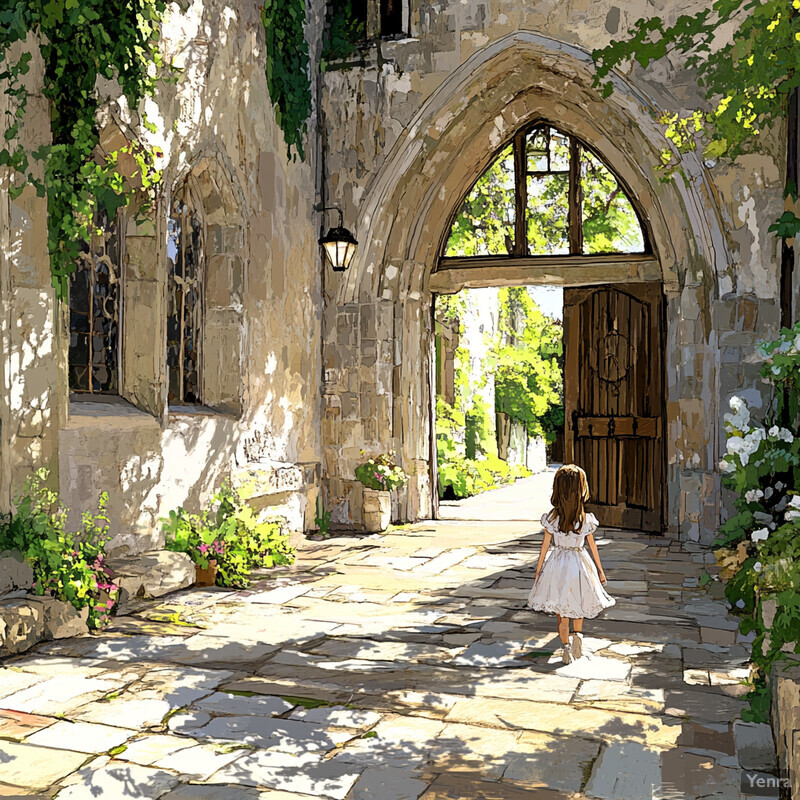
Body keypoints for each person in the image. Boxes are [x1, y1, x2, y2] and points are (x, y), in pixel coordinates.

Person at [527, 464, 615, 664]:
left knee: (561, 610)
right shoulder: (585, 519)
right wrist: (600, 571)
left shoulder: (552, 518)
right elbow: (593, 548)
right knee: (578, 602)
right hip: (579, 563)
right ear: (580, 489)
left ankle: (565, 647)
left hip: (557, 564)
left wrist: (539, 569)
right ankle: (578, 636)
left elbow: (545, 547)